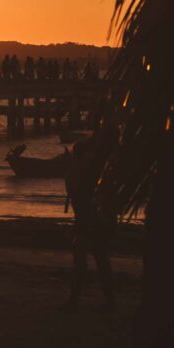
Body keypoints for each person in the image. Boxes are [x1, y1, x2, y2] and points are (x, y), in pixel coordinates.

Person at [63, 132, 116, 312]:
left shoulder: (74, 174)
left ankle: (76, 299)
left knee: (86, 262)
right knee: (98, 261)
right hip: (89, 222)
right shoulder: (83, 174)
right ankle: (105, 301)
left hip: (85, 222)